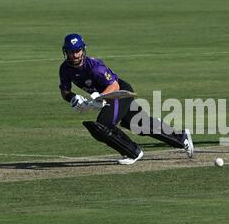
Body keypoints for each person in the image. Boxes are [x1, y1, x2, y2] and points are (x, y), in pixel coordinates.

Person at [59, 33, 194, 164]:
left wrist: (99, 99)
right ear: (66, 52)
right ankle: (181, 137)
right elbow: (65, 91)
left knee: (103, 124)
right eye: (71, 51)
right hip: (106, 96)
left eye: (78, 50)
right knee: (138, 124)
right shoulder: (65, 68)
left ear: (83, 50)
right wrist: (73, 98)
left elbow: (114, 85)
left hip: (120, 92)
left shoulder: (95, 68)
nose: (75, 55)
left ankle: (133, 152)